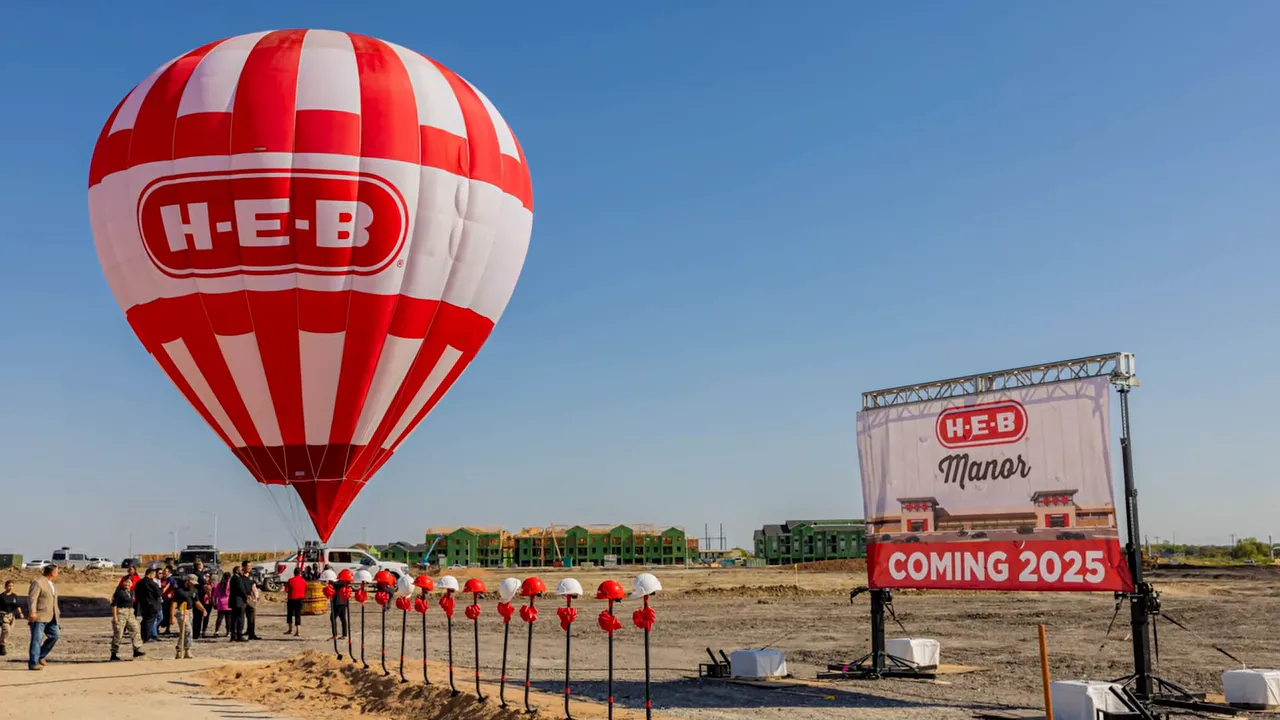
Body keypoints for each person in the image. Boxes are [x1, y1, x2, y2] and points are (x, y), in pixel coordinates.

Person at [26, 564, 60, 671]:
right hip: (39, 616)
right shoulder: (38, 582)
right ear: (52, 572)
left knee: (55, 636)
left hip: (52, 616)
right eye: (57, 571)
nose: (58, 573)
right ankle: (33, 663)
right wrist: (32, 612)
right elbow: (32, 598)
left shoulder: (52, 584)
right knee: (37, 639)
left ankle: (40, 655)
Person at [110, 573, 144, 661]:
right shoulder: (119, 592)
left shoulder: (132, 592)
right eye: (126, 583)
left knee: (135, 629)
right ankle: (114, 653)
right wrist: (115, 617)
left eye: (129, 583)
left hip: (130, 612)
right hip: (121, 612)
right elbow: (114, 605)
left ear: (132, 584)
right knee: (119, 633)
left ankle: (137, 649)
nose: (127, 584)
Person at [170, 574, 203, 659]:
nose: (193, 584)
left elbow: (196, 602)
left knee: (184, 632)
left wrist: (203, 609)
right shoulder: (179, 591)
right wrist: (172, 617)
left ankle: (180, 650)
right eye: (192, 582)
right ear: (187, 581)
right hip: (181, 612)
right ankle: (187, 649)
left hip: (190, 612)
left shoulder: (194, 590)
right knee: (188, 630)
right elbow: (174, 604)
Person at [135, 568, 163, 642]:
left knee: (145, 620)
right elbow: (159, 593)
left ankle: (143, 636)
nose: (154, 576)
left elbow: (136, 594)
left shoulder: (139, 582)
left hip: (143, 605)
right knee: (150, 621)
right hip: (152, 605)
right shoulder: (152, 583)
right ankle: (147, 637)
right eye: (154, 574)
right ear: (150, 574)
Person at [0, 579, 25, 656]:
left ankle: (1, 645)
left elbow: (17, 606)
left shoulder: (14, 596)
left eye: (12, 586)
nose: (10, 587)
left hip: (11, 616)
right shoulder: (1, 596)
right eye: (9, 586)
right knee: (6, 630)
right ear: (5, 586)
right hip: (3, 615)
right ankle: (2, 645)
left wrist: (20, 613)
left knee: (9, 631)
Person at [240, 562, 261, 641]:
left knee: (252, 617)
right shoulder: (240, 577)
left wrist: (256, 596)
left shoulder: (251, 577)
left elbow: (253, 587)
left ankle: (251, 634)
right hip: (242, 599)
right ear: (243, 567)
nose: (249, 568)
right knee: (241, 618)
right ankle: (238, 634)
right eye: (248, 566)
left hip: (250, 600)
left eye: (250, 566)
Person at [227, 566, 248, 642]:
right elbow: (241, 590)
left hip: (234, 601)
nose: (242, 571)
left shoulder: (233, 578)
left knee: (234, 619)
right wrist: (246, 598)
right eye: (241, 570)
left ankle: (233, 635)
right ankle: (239, 635)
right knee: (240, 619)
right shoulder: (238, 579)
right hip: (239, 601)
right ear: (237, 571)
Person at [285, 567, 306, 636]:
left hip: (291, 599)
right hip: (300, 599)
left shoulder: (290, 580)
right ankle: (298, 631)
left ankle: (290, 629)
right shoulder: (303, 580)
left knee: (290, 614)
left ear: (294, 573)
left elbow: (287, 590)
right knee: (298, 614)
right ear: (300, 573)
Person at [330, 574, 350, 640]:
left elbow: (334, 584)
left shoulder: (341, 583)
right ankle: (344, 634)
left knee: (333, 618)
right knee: (343, 618)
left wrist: (330, 580)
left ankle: (334, 635)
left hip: (338, 603)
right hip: (343, 603)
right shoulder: (345, 583)